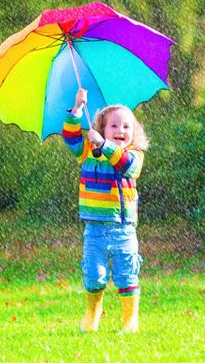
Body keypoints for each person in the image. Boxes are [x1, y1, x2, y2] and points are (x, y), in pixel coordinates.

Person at [62, 88, 148, 333]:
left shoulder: (134, 155)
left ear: (134, 132)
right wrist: (77, 109)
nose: (120, 131)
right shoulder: (89, 151)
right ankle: (92, 315)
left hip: (123, 228)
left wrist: (106, 145)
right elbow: (71, 139)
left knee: (126, 274)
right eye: (113, 126)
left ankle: (130, 321)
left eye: (126, 127)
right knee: (94, 275)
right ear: (101, 127)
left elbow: (126, 166)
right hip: (94, 229)